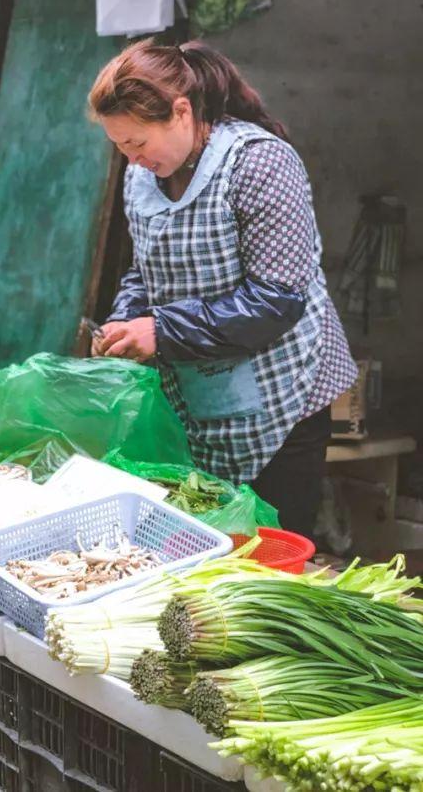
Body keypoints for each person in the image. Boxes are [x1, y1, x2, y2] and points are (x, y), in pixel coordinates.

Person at [87, 39, 356, 539]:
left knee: (271, 547)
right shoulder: (141, 176)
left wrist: (162, 331)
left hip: (286, 391)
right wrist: (127, 320)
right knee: (206, 540)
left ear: (182, 111)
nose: (131, 157)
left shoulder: (259, 164)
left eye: (138, 142)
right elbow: (144, 271)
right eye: (120, 145)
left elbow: (277, 298)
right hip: (201, 391)